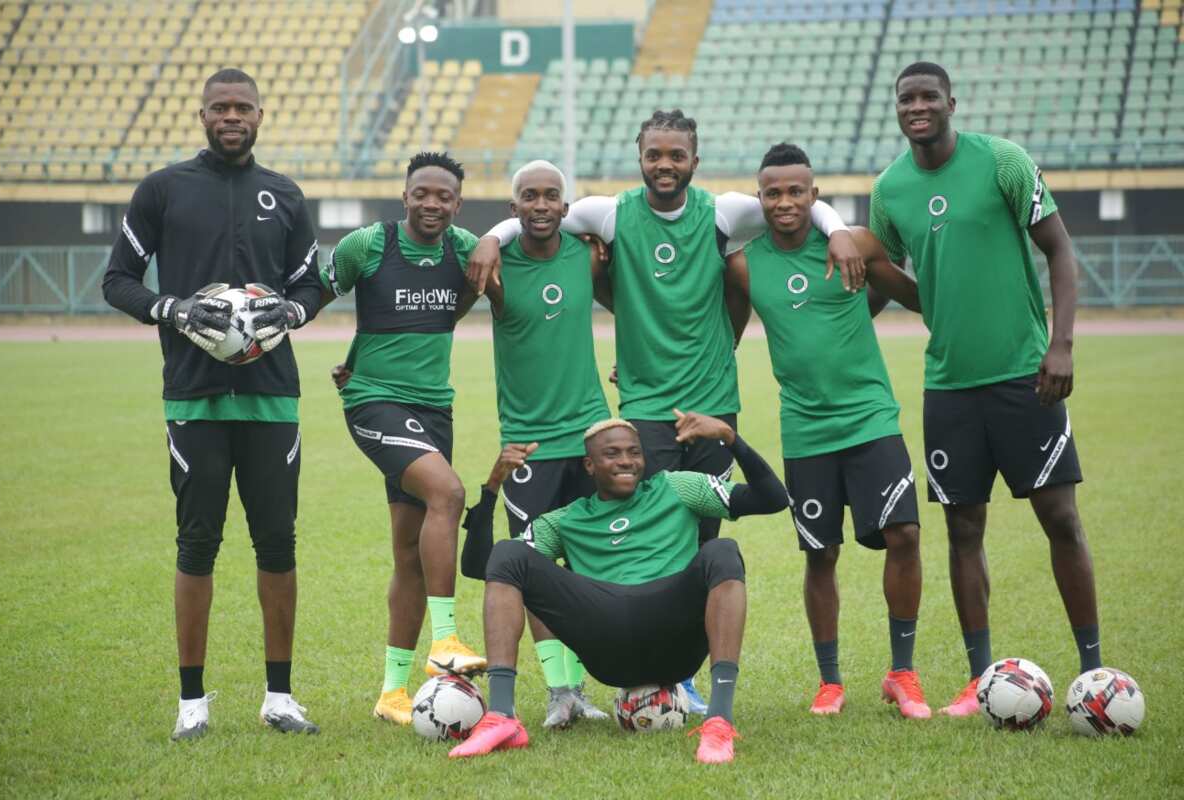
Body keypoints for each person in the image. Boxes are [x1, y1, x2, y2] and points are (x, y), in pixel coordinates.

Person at [467, 109, 864, 713]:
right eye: (655, 154)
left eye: (676, 155)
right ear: (640, 157)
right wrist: (493, 237)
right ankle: (640, 663)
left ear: (694, 161)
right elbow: (536, 213)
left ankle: (682, 677)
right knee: (649, 543)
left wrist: (836, 227)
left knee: (704, 544)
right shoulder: (611, 213)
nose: (665, 165)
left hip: (712, 406)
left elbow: (802, 202)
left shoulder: (723, 211)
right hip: (647, 410)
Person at [870, 62, 1100, 717]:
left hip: (1027, 376)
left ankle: (1092, 670)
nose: (917, 107)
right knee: (963, 532)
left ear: (950, 102)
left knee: (1061, 519)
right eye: (906, 99)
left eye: (928, 97)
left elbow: (1059, 251)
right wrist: (886, 277)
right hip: (948, 388)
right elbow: (890, 276)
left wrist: (1061, 344)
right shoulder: (890, 189)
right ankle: (981, 680)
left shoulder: (1002, 162)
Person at [102, 68, 322, 740]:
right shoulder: (164, 190)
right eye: (220, 107)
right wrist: (171, 308)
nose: (232, 116)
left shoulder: (283, 194)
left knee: (277, 545)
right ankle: (191, 703)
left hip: (271, 399)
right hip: (194, 399)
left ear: (262, 114)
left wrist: (293, 310)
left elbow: (312, 281)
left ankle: (279, 698)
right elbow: (117, 280)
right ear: (201, 115)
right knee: (197, 544)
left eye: (243, 107)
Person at [452, 414, 791, 764]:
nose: (626, 461)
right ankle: (502, 716)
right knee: (509, 554)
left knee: (722, 550)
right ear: (589, 464)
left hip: (673, 639)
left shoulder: (678, 487)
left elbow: (773, 499)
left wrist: (730, 438)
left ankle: (719, 722)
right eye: (612, 453)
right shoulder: (567, 519)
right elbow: (482, 567)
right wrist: (492, 487)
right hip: (607, 642)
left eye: (634, 452)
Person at [726, 142, 929, 719]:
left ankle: (903, 673)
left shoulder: (855, 243)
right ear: (759, 198)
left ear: (815, 196)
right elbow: (722, 338)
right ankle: (830, 682)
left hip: (870, 417)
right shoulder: (743, 266)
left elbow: (911, 294)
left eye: (796, 191)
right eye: (773, 192)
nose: (785, 201)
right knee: (821, 554)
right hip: (805, 429)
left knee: (905, 535)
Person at [321, 151, 486, 726]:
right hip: (373, 402)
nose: (432, 203)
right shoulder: (368, 245)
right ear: (405, 196)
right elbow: (315, 297)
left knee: (409, 553)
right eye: (423, 193)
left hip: (433, 410)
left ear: (457, 204)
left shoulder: (464, 248)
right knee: (448, 494)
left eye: (444, 196)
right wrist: (347, 364)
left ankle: (392, 692)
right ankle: (446, 641)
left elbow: (463, 302)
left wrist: (493, 240)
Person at [480, 160, 612, 727]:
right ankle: (562, 692)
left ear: (565, 206)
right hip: (529, 447)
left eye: (550, 196)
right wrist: (491, 238)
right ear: (514, 209)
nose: (539, 205)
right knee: (536, 568)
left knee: (595, 565)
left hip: (589, 434)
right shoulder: (494, 268)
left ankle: (608, 681)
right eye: (528, 196)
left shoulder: (586, 254)